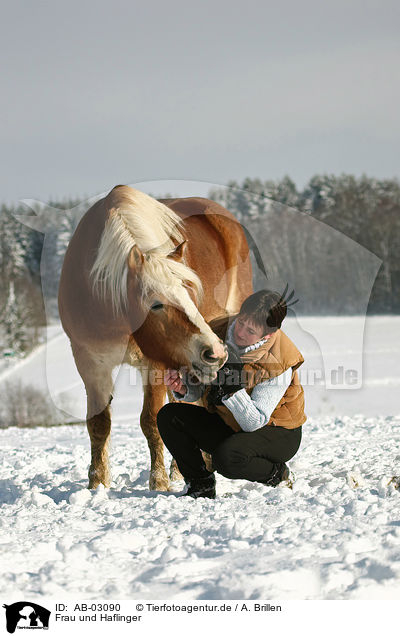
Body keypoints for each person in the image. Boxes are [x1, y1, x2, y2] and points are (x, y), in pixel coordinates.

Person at [157, 289, 306, 499]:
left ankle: (277, 474)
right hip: (230, 419)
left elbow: (254, 422)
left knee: (227, 459)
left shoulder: (279, 361)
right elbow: (199, 388)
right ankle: (201, 485)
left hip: (276, 430)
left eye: (250, 330)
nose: (241, 332)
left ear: (268, 334)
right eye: (241, 321)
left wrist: (231, 387)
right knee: (169, 416)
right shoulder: (215, 331)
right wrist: (184, 388)